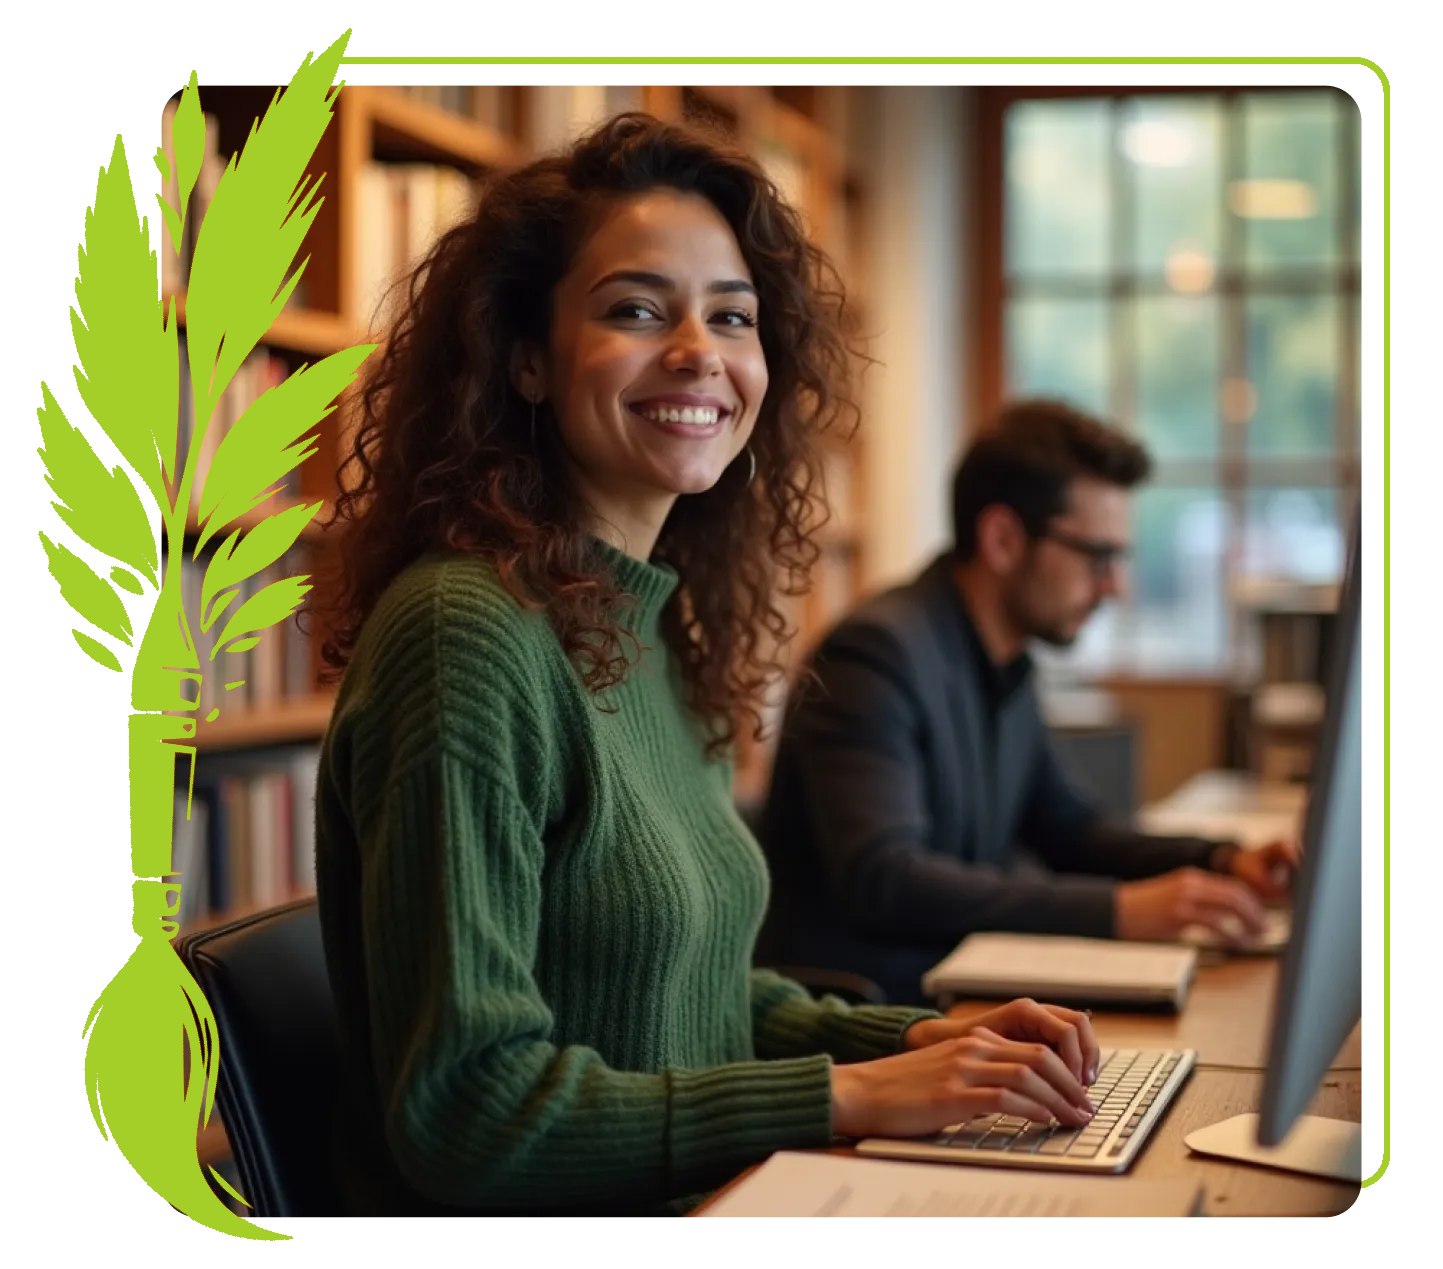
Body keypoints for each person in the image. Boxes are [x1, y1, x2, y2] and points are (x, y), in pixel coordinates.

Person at [309, 114, 1101, 1219]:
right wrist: (855, 1092)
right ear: (525, 358)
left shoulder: (649, 631)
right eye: (637, 310)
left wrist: (926, 1037)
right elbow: (467, 1112)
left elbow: (692, 994)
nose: (700, 351)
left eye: (732, 316)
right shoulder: (465, 634)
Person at [755, 399, 1301, 1008]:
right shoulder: (876, 656)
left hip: (957, 996)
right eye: (1098, 556)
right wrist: (1120, 910)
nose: (1115, 586)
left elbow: (1068, 829)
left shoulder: (1007, 660)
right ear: (1004, 539)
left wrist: (1221, 859)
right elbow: (885, 880)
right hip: (870, 1020)